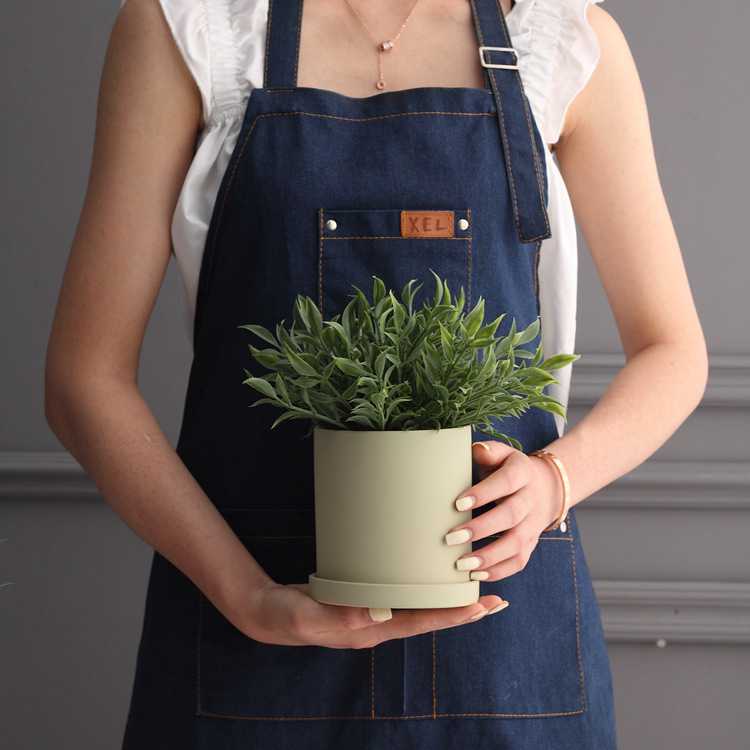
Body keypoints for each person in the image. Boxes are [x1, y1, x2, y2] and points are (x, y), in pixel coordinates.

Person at [44, 0, 708, 748]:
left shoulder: (563, 42)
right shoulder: (195, 31)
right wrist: (250, 596)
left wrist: (555, 480)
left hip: (504, 658)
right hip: (249, 635)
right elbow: (84, 378)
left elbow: (673, 351)